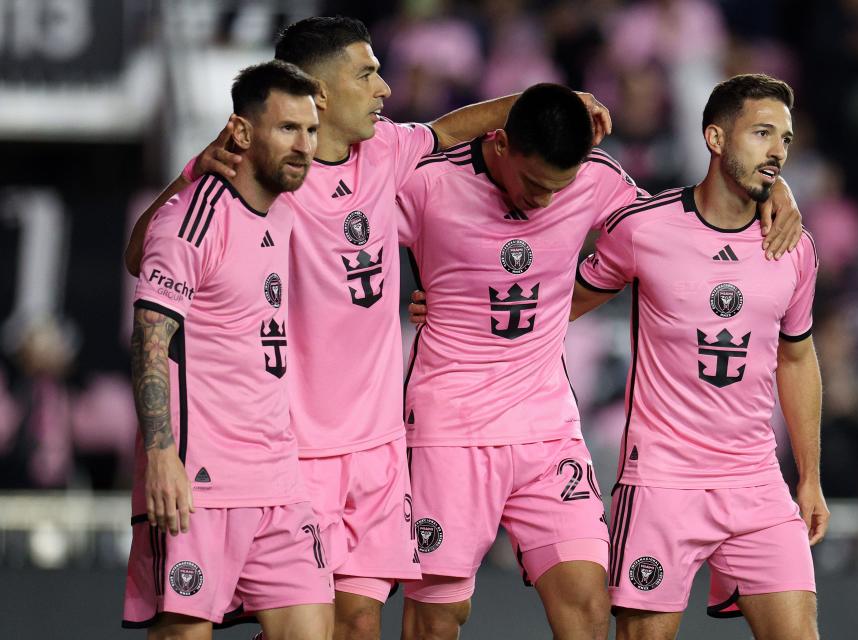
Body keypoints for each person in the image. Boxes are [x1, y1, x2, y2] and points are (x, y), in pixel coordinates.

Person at [123, 16, 615, 640]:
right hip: (298, 445)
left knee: (359, 622)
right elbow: (148, 253)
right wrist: (196, 169)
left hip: (377, 447)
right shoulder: (268, 177)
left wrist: (543, 104)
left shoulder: (384, 151)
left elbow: (447, 129)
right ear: (319, 94)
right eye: (367, 73)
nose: (383, 87)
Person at [396, 83, 805, 640]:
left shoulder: (598, 180)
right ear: (500, 145)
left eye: (557, 191)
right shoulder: (428, 184)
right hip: (450, 429)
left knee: (587, 607)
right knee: (439, 616)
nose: (542, 202)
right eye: (534, 184)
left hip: (548, 430)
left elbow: (678, 225)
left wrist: (771, 185)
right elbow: (351, 232)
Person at [573, 74, 828, 640]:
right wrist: (463, 307)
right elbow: (561, 305)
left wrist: (808, 478)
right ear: (715, 138)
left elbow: (797, 359)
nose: (778, 151)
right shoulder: (645, 228)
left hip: (757, 482)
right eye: (762, 133)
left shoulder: (794, 246)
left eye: (785, 139)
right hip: (662, 482)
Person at [122, 61, 333, 638]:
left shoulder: (285, 210)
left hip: (278, 478)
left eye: (311, 131)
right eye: (288, 128)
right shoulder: (194, 218)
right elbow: (149, 339)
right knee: (183, 631)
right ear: (241, 131)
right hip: (200, 484)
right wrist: (163, 460)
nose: (305, 147)